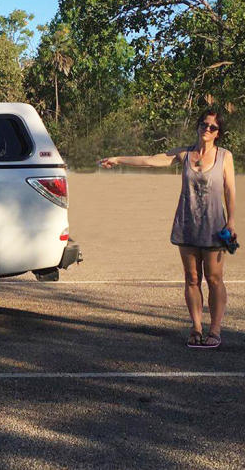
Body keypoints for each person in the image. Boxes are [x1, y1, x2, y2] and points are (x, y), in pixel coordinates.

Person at [99, 110, 235, 349]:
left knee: (214, 279)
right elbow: (151, 159)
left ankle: (215, 329)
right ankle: (196, 327)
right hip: (187, 224)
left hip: (214, 227)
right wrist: (119, 159)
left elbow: (229, 190)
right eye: (204, 124)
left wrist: (231, 221)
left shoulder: (225, 156)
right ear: (198, 126)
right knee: (192, 278)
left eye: (212, 127)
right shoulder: (184, 154)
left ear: (218, 133)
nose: (207, 129)